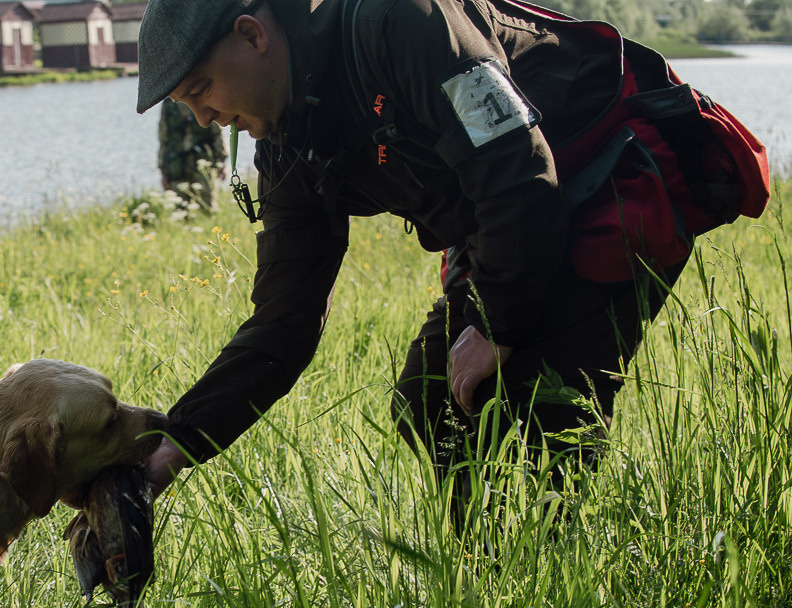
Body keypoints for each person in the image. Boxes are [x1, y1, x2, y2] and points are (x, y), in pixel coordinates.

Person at [133, 0, 766, 526]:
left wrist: (498, 327)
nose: (207, 119)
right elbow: (284, 320)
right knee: (430, 395)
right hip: (512, 217)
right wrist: (178, 442)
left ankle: (551, 595)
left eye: (201, 91)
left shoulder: (401, 20)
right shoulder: (285, 140)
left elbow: (519, 171)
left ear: (252, 34)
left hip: (606, 179)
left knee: (539, 403)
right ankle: (485, 579)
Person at [158, 98, 229, 211]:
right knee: (180, 211)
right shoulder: (168, 104)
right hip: (177, 167)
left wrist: (222, 162)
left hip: (203, 165)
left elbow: (218, 134)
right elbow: (163, 139)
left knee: (207, 208)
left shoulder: (204, 98)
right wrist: (163, 171)